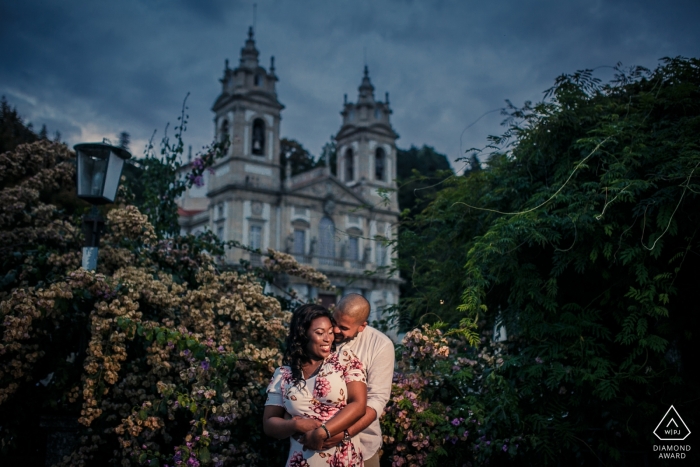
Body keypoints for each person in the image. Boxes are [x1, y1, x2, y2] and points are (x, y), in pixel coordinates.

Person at [264, 304, 368, 466]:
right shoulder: (284, 374)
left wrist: (323, 432)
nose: (328, 338)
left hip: (342, 459)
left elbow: (359, 404)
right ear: (303, 335)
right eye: (319, 333)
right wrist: (295, 424)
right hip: (301, 460)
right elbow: (269, 423)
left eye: (330, 332)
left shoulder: (345, 360)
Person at [301, 294, 395, 467]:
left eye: (343, 328)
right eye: (334, 322)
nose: (335, 331)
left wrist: (342, 434)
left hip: (362, 444)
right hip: (310, 446)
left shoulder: (380, 345)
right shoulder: (318, 335)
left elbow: (377, 400)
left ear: (361, 327)